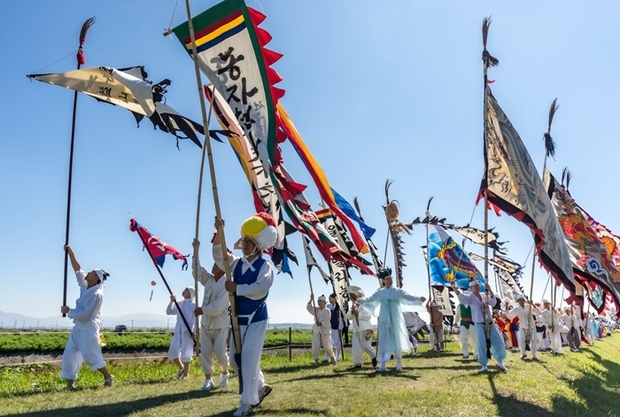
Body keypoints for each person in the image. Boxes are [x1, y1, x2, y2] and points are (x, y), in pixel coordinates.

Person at [213, 214, 277, 417]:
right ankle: (259, 386)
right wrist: (219, 233)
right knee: (235, 360)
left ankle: (247, 404)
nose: (246, 244)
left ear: (259, 244)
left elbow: (261, 288)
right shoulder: (236, 264)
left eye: (250, 241)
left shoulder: (265, 266)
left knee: (248, 358)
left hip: (256, 318)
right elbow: (218, 256)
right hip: (237, 318)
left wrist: (236, 288)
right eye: (244, 240)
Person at [60, 244, 113, 389]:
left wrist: (69, 310)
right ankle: (70, 384)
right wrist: (70, 251)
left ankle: (108, 376)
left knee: (91, 357)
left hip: (89, 329)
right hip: (78, 328)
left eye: (91, 273)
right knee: (70, 354)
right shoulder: (85, 285)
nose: (87, 273)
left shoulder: (97, 295)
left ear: (96, 279)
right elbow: (77, 269)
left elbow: (86, 314)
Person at [361, 268, 426, 372]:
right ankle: (383, 365)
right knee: (384, 339)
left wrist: (418, 298)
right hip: (384, 318)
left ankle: (399, 363)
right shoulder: (380, 293)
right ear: (383, 281)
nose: (390, 280)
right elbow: (370, 300)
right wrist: (360, 300)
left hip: (395, 318)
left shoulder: (397, 291)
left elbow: (408, 296)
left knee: (397, 338)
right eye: (387, 279)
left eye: (390, 278)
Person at [192, 238, 230, 391]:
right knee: (206, 353)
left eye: (217, 264)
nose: (213, 265)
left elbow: (218, 307)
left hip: (220, 324)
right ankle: (208, 379)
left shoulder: (227, 283)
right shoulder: (208, 280)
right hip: (206, 323)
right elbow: (196, 270)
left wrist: (203, 310)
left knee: (221, 352)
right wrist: (196, 250)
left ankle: (224, 372)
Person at [451, 280, 508, 373]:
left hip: (489, 322)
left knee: (499, 341)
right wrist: (454, 288)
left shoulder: (483, 295)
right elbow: (462, 299)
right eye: (475, 286)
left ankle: (499, 362)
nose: (477, 287)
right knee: (481, 344)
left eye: (478, 285)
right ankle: (483, 365)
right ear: (471, 288)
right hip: (479, 323)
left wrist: (489, 289)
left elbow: (493, 302)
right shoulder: (470, 297)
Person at [166, 287, 196, 379]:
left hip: (188, 331)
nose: (184, 290)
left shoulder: (193, 305)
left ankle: (186, 374)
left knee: (186, 353)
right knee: (172, 351)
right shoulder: (179, 303)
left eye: (186, 289)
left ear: (190, 293)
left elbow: (196, 319)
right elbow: (169, 312)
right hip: (178, 330)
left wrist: (194, 332)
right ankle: (181, 367)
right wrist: (171, 301)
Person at [346, 286, 377, 368]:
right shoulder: (353, 306)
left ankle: (373, 356)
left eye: (352, 295)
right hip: (357, 329)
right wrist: (352, 312)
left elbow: (368, 316)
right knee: (356, 347)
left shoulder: (365, 304)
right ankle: (358, 364)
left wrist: (357, 314)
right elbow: (348, 316)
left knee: (366, 345)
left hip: (366, 328)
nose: (350, 297)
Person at [505, 294, 538, 361]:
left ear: (524, 300)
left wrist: (533, 305)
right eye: (520, 300)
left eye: (522, 300)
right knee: (522, 340)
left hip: (531, 325)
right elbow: (509, 316)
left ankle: (534, 355)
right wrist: (506, 308)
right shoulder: (516, 309)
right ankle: (523, 353)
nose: (521, 301)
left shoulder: (529, 306)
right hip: (523, 326)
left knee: (534, 339)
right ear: (518, 301)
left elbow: (537, 313)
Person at [307, 294, 337, 365]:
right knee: (315, 345)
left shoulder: (327, 311)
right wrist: (311, 299)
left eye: (321, 301)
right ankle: (316, 360)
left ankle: (332, 357)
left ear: (324, 302)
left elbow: (327, 320)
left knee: (327, 346)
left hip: (325, 329)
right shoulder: (316, 310)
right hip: (317, 329)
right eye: (318, 301)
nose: (319, 302)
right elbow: (309, 308)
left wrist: (321, 323)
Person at [327, 293, 345, 362]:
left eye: (331, 298)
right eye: (329, 298)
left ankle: (337, 357)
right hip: (329, 327)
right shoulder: (328, 306)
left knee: (338, 343)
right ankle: (328, 357)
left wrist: (340, 327)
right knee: (328, 343)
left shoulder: (338, 309)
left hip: (336, 328)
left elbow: (340, 318)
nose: (330, 300)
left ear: (335, 299)